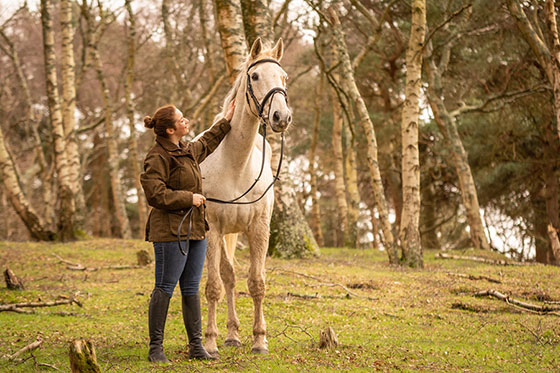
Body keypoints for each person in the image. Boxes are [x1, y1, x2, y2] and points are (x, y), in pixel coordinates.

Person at [140, 101, 235, 363]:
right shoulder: (157, 156)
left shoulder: (187, 150)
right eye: (181, 120)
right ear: (170, 130)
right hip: (169, 233)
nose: (186, 121)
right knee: (165, 287)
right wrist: (188, 198)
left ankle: (196, 347)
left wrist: (226, 119)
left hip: (195, 230)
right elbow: (155, 194)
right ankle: (155, 349)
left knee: (191, 288)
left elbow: (207, 142)